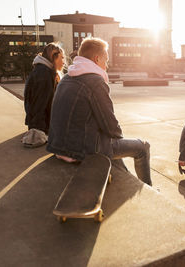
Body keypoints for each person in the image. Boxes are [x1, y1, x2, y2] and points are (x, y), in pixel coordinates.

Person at [47, 37, 151, 186]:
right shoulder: (95, 81)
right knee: (143, 147)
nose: (107, 65)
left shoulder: (66, 78)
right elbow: (111, 125)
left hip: (58, 146)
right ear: (96, 59)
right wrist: (118, 139)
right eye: (106, 60)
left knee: (111, 143)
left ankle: (127, 178)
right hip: (80, 150)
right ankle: (148, 188)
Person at [22, 42, 65, 148]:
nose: (63, 62)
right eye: (62, 58)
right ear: (53, 57)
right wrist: (37, 130)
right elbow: (38, 104)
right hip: (43, 127)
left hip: (44, 125)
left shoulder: (44, 71)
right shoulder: (44, 74)